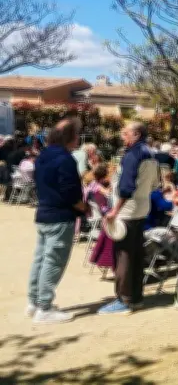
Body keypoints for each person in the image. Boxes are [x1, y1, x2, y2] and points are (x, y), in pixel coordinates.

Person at [27, 118, 88, 324]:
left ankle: (34, 302)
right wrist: (83, 207)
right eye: (76, 134)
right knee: (53, 262)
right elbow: (70, 192)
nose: (78, 138)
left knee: (40, 259)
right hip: (60, 216)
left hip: (44, 213)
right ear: (69, 137)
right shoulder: (65, 159)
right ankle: (44, 307)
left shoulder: (43, 156)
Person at [98, 121, 159, 315]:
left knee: (123, 255)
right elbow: (155, 184)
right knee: (136, 255)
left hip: (127, 211)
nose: (122, 136)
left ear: (136, 134)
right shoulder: (151, 154)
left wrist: (114, 211)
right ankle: (136, 297)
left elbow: (126, 187)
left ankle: (123, 300)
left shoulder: (132, 155)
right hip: (141, 208)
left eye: (125, 133)